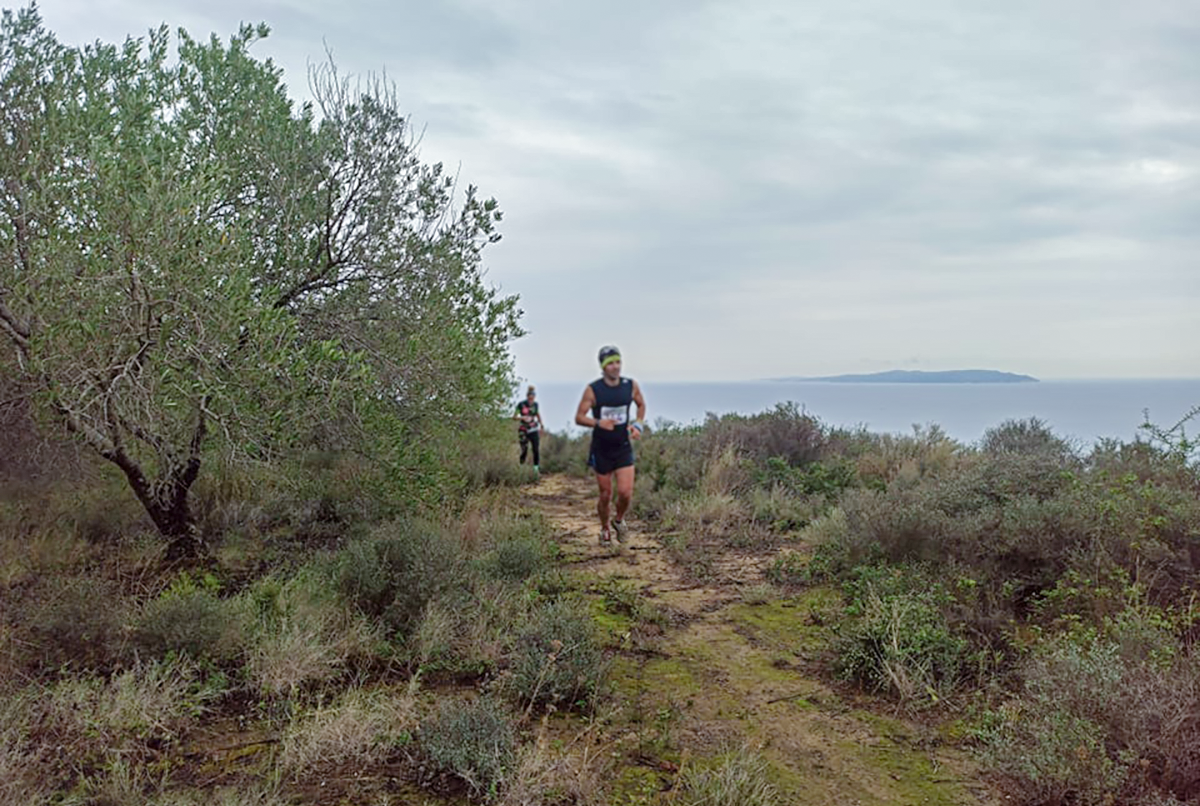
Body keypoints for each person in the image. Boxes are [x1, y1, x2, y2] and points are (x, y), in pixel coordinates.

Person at [574, 346, 646, 545]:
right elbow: (579, 417)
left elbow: (641, 404)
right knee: (606, 495)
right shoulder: (593, 390)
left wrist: (637, 425)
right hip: (601, 449)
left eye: (618, 362)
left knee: (625, 493)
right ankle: (605, 528)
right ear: (603, 367)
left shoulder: (630, 385)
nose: (616, 367)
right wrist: (599, 422)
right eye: (611, 363)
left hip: (623, 446)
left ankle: (619, 521)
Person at [514, 385, 545, 478]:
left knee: (536, 449)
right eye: (529, 398)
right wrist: (522, 417)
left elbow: (538, 414)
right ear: (527, 396)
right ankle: (521, 469)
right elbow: (514, 416)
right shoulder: (521, 404)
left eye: (533, 398)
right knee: (524, 449)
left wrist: (541, 424)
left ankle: (536, 470)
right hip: (523, 429)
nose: (531, 399)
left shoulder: (536, 405)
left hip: (533, 429)